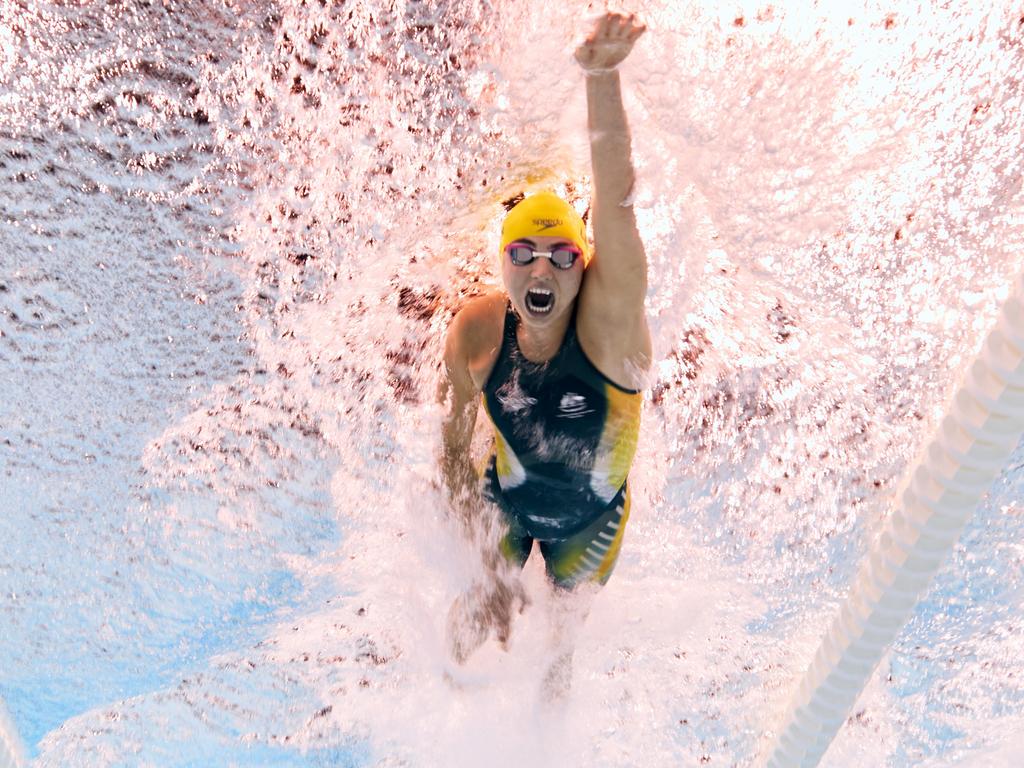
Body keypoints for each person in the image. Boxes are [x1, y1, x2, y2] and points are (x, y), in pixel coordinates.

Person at [438, 11, 651, 682]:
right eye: (523, 254)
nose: (541, 270)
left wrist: (601, 77)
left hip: (590, 524)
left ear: (584, 266)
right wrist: (478, 553)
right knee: (475, 618)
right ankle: (446, 704)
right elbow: (450, 449)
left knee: (559, 654)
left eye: (562, 256)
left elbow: (615, 208)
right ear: (502, 265)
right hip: (507, 497)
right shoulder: (476, 332)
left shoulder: (609, 332)